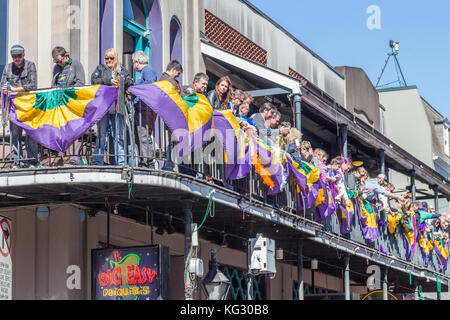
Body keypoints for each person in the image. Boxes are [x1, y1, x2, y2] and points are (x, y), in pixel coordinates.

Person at [91, 48, 134, 166]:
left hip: (117, 108)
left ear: (116, 59)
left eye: (111, 58)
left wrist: (122, 81)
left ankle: (120, 162)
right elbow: (94, 80)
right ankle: (97, 161)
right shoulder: (100, 69)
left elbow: (131, 81)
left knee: (118, 137)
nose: (108, 60)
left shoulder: (122, 70)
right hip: (103, 108)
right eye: (106, 58)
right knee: (101, 136)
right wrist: (109, 81)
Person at [0, 45, 38, 168]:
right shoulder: (7, 67)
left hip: (28, 106)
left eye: (19, 56)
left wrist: (15, 89)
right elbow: (2, 85)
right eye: (14, 56)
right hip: (14, 107)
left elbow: (33, 85)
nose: (17, 59)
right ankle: (18, 162)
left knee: (30, 134)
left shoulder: (30, 65)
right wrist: (4, 89)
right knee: (15, 135)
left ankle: (32, 161)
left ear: (24, 54)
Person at [51, 46, 86, 166]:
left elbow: (81, 82)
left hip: (72, 103)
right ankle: (64, 157)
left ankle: (74, 157)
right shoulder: (56, 68)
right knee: (62, 130)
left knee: (73, 129)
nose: (59, 64)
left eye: (60, 61)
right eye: (56, 62)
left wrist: (67, 91)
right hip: (60, 104)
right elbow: (53, 83)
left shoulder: (75, 64)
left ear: (66, 56)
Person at [132, 51, 157, 168]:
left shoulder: (147, 71)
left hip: (145, 109)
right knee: (140, 136)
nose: (133, 65)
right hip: (141, 109)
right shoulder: (144, 72)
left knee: (144, 136)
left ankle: (148, 163)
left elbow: (150, 84)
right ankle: (143, 162)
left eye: (133, 62)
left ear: (137, 62)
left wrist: (133, 88)